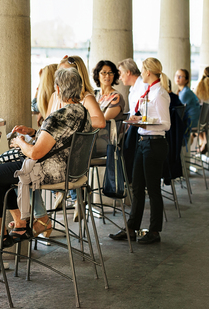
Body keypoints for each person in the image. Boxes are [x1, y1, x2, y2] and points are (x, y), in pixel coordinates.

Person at [0, 68, 93, 252]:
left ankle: (1, 233)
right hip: (71, 171)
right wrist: (32, 132)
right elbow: (61, 139)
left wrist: (20, 142)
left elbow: (36, 153)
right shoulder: (83, 113)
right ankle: (21, 223)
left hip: (50, 172)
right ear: (79, 87)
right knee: (3, 174)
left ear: (57, 88)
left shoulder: (59, 115)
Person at [109, 57, 170, 245]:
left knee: (152, 189)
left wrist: (145, 121)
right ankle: (131, 228)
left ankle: (154, 231)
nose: (140, 73)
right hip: (143, 141)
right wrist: (139, 120)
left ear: (149, 72)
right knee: (136, 187)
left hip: (154, 142)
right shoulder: (150, 91)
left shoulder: (159, 93)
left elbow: (166, 124)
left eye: (142, 71)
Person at [46, 55, 105, 220]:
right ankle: (67, 192)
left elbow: (100, 121)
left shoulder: (86, 97)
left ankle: (67, 195)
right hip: (59, 150)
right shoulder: (54, 97)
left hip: (77, 152)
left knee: (28, 167)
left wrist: (76, 122)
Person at [117, 58, 149, 184]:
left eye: (120, 73)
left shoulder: (143, 87)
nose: (119, 78)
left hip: (142, 131)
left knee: (122, 149)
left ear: (128, 72)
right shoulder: (132, 90)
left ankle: (128, 182)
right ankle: (126, 181)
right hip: (135, 128)